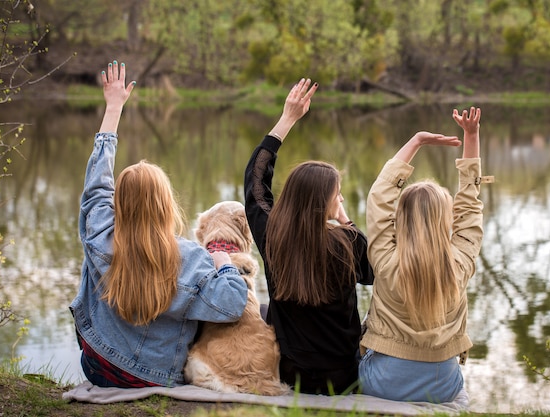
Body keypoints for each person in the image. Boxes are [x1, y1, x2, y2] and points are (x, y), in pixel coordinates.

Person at [70, 60, 248, 388]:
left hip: (98, 364)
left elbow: (96, 186)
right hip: (155, 376)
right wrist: (223, 265)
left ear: (119, 203)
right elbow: (233, 305)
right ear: (166, 205)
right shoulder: (191, 259)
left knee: (89, 236)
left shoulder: (101, 235)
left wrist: (113, 108)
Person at [244, 78, 374, 395]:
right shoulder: (349, 242)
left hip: (291, 373)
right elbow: (371, 275)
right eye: (337, 194)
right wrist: (347, 222)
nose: (340, 198)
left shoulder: (272, 234)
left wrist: (287, 119)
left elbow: (255, 181)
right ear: (327, 202)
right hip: (343, 376)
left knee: (261, 310)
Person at [358, 107, 492, 404]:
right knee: (462, 390)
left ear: (401, 219)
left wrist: (415, 142)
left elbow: (380, 197)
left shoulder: (385, 259)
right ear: (446, 220)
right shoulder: (460, 263)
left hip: (383, 383)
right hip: (441, 384)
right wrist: (472, 136)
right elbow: (470, 206)